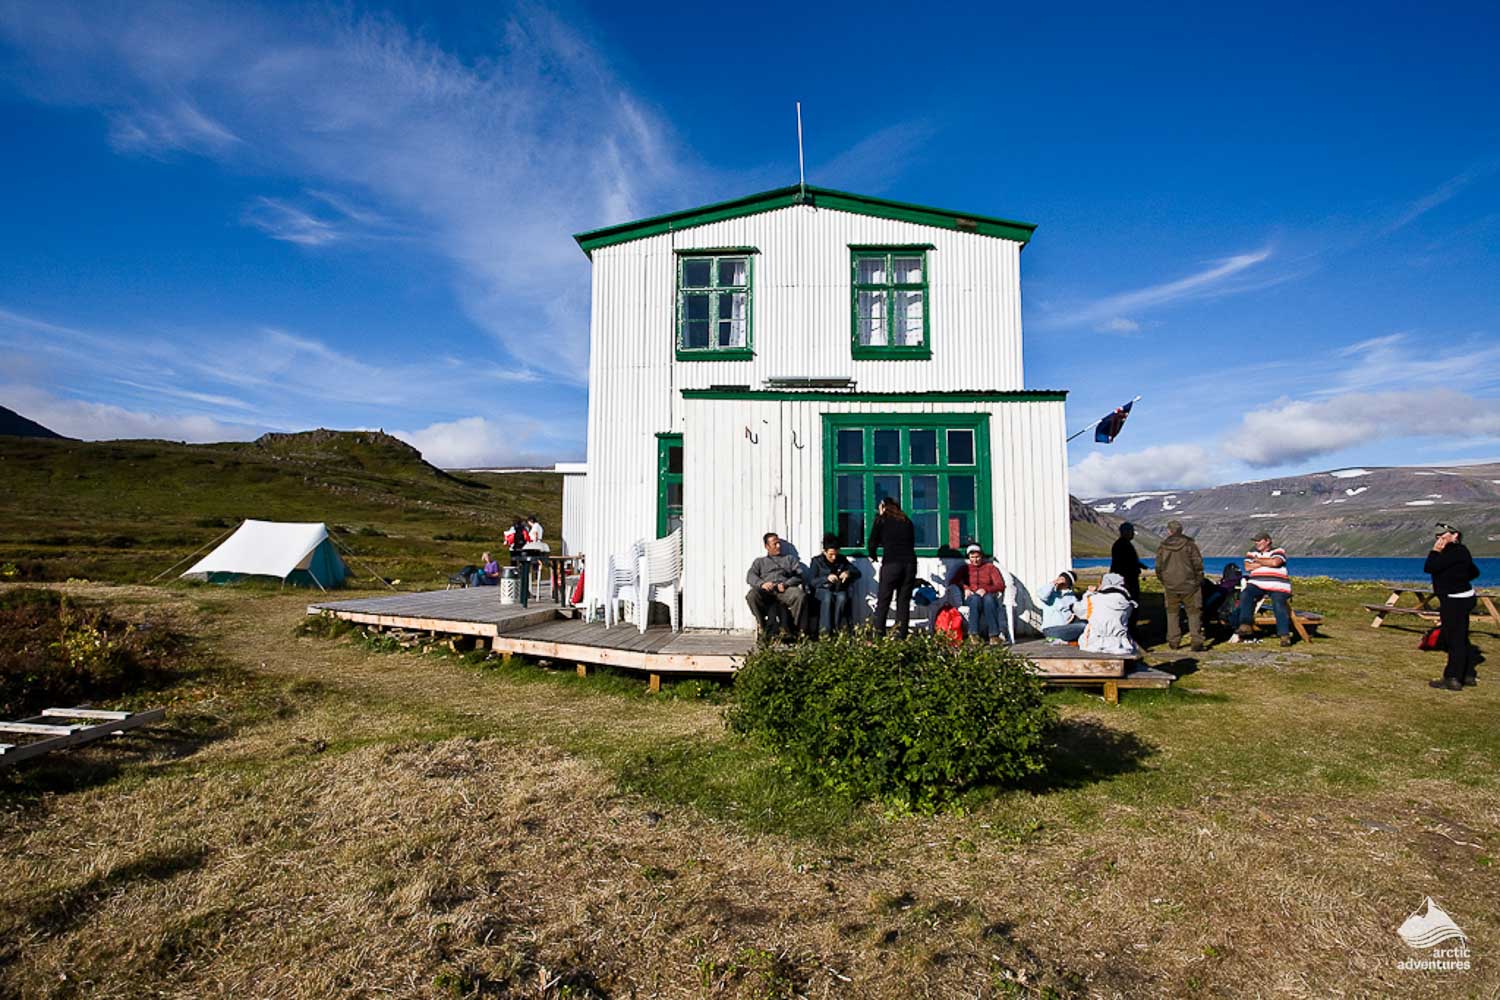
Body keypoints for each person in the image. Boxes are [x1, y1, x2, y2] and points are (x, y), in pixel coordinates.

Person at [1425, 522, 1481, 691]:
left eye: (1443, 535)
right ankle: (1467, 673)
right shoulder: (1461, 551)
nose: (1439, 538)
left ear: (1455, 535)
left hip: (1454, 600)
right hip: (1462, 597)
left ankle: (1453, 677)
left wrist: (1435, 551)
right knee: (1461, 637)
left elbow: (1430, 567)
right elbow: (1474, 572)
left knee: (1454, 639)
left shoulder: (1452, 551)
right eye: (1437, 536)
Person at [867, 497, 918, 638]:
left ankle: (879, 635)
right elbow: (911, 542)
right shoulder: (907, 521)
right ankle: (901, 635)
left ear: (883, 507)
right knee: (903, 601)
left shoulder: (881, 520)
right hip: (909, 563)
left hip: (892, 563)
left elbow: (872, 542)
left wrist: (873, 556)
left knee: (884, 600)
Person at [1231, 531, 1292, 646]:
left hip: (1277, 585)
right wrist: (1267, 562)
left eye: (1259, 540)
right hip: (1257, 583)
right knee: (1246, 594)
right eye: (1255, 541)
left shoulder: (1278, 551)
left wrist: (1258, 561)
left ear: (1267, 541)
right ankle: (1245, 624)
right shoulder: (1251, 552)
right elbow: (1248, 567)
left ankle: (1284, 634)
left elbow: (1275, 562)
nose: (1256, 543)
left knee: (1278, 602)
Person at [746, 532, 808, 638]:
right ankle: (762, 625)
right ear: (767, 546)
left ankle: (793, 628)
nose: (778, 546)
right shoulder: (760, 562)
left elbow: (799, 575)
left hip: (784, 590)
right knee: (751, 595)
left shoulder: (789, 559)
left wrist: (786, 584)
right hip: (767, 591)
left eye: (779, 543)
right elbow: (750, 576)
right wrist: (762, 584)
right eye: (775, 544)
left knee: (799, 595)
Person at [1155, 520, 1205, 651]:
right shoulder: (1190, 545)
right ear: (1181, 530)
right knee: (1194, 612)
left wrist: (1165, 581)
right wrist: (1198, 580)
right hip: (1190, 585)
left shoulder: (1163, 547)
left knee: (1172, 613)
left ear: (1169, 531)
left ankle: (1173, 641)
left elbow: (1159, 568)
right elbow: (1198, 565)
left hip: (1170, 586)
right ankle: (1196, 641)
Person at [945, 543, 1007, 643]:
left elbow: (1000, 585)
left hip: (987, 595)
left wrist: (986, 589)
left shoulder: (990, 568)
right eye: (972, 557)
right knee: (975, 599)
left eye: (977, 557)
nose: (975, 559)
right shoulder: (964, 568)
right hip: (972, 596)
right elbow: (953, 581)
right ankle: (973, 634)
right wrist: (965, 588)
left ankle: (994, 635)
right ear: (969, 557)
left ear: (981, 556)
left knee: (989, 599)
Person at [808, 533, 861, 635]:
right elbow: (812, 581)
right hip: (822, 590)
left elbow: (857, 573)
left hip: (838, 589)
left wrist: (848, 573)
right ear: (824, 551)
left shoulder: (841, 560)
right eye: (830, 554)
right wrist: (826, 578)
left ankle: (838, 629)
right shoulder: (817, 561)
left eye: (835, 554)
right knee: (827, 597)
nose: (833, 557)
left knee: (842, 597)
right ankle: (825, 631)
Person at [1077, 572, 1136, 655]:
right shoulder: (1128, 603)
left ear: (1104, 583)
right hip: (1121, 645)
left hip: (1094, 644)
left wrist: (1088, 593)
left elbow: (1078, 610)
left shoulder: (1093, 599)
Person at [1110, 522, 1145, 634]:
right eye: (1131, 531)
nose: (1133, 534)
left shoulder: (1122, 544)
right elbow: (1124, 564)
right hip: (1126, 580)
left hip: (1126, 579)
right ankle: (1130, 630)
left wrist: (1138, 565)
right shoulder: (1122, 545)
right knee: (1130, 604)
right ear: (1126, 532)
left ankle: (1130, 629)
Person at [1039, 570, 1086, 642]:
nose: (1061, 582)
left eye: (1065, 580)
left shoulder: (1071, 596)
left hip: (1065, 627)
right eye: (1061, 579)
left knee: (1087, 625)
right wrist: (1053, 583)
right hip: (1050, 629)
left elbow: (1078, 610)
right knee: (1083, 626)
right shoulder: (1050, 593)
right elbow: (1041, 595)